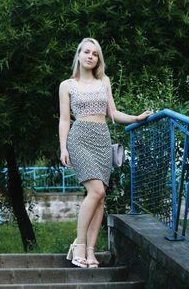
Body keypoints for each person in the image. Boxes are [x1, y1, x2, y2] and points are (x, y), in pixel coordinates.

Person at [59, 37, 153, 268]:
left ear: (98, 58)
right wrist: (63, 147)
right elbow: (64, 120)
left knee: (100, 198)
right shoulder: (67, 85)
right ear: (79, 55)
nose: (91, 56)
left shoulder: (104, 81)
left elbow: (113, 113)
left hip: (102, 138)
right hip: (79, 137)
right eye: (87, 52)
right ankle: (79, 245)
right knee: (96, 190)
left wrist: (135, 118)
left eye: (95, 53)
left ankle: (91, 253)